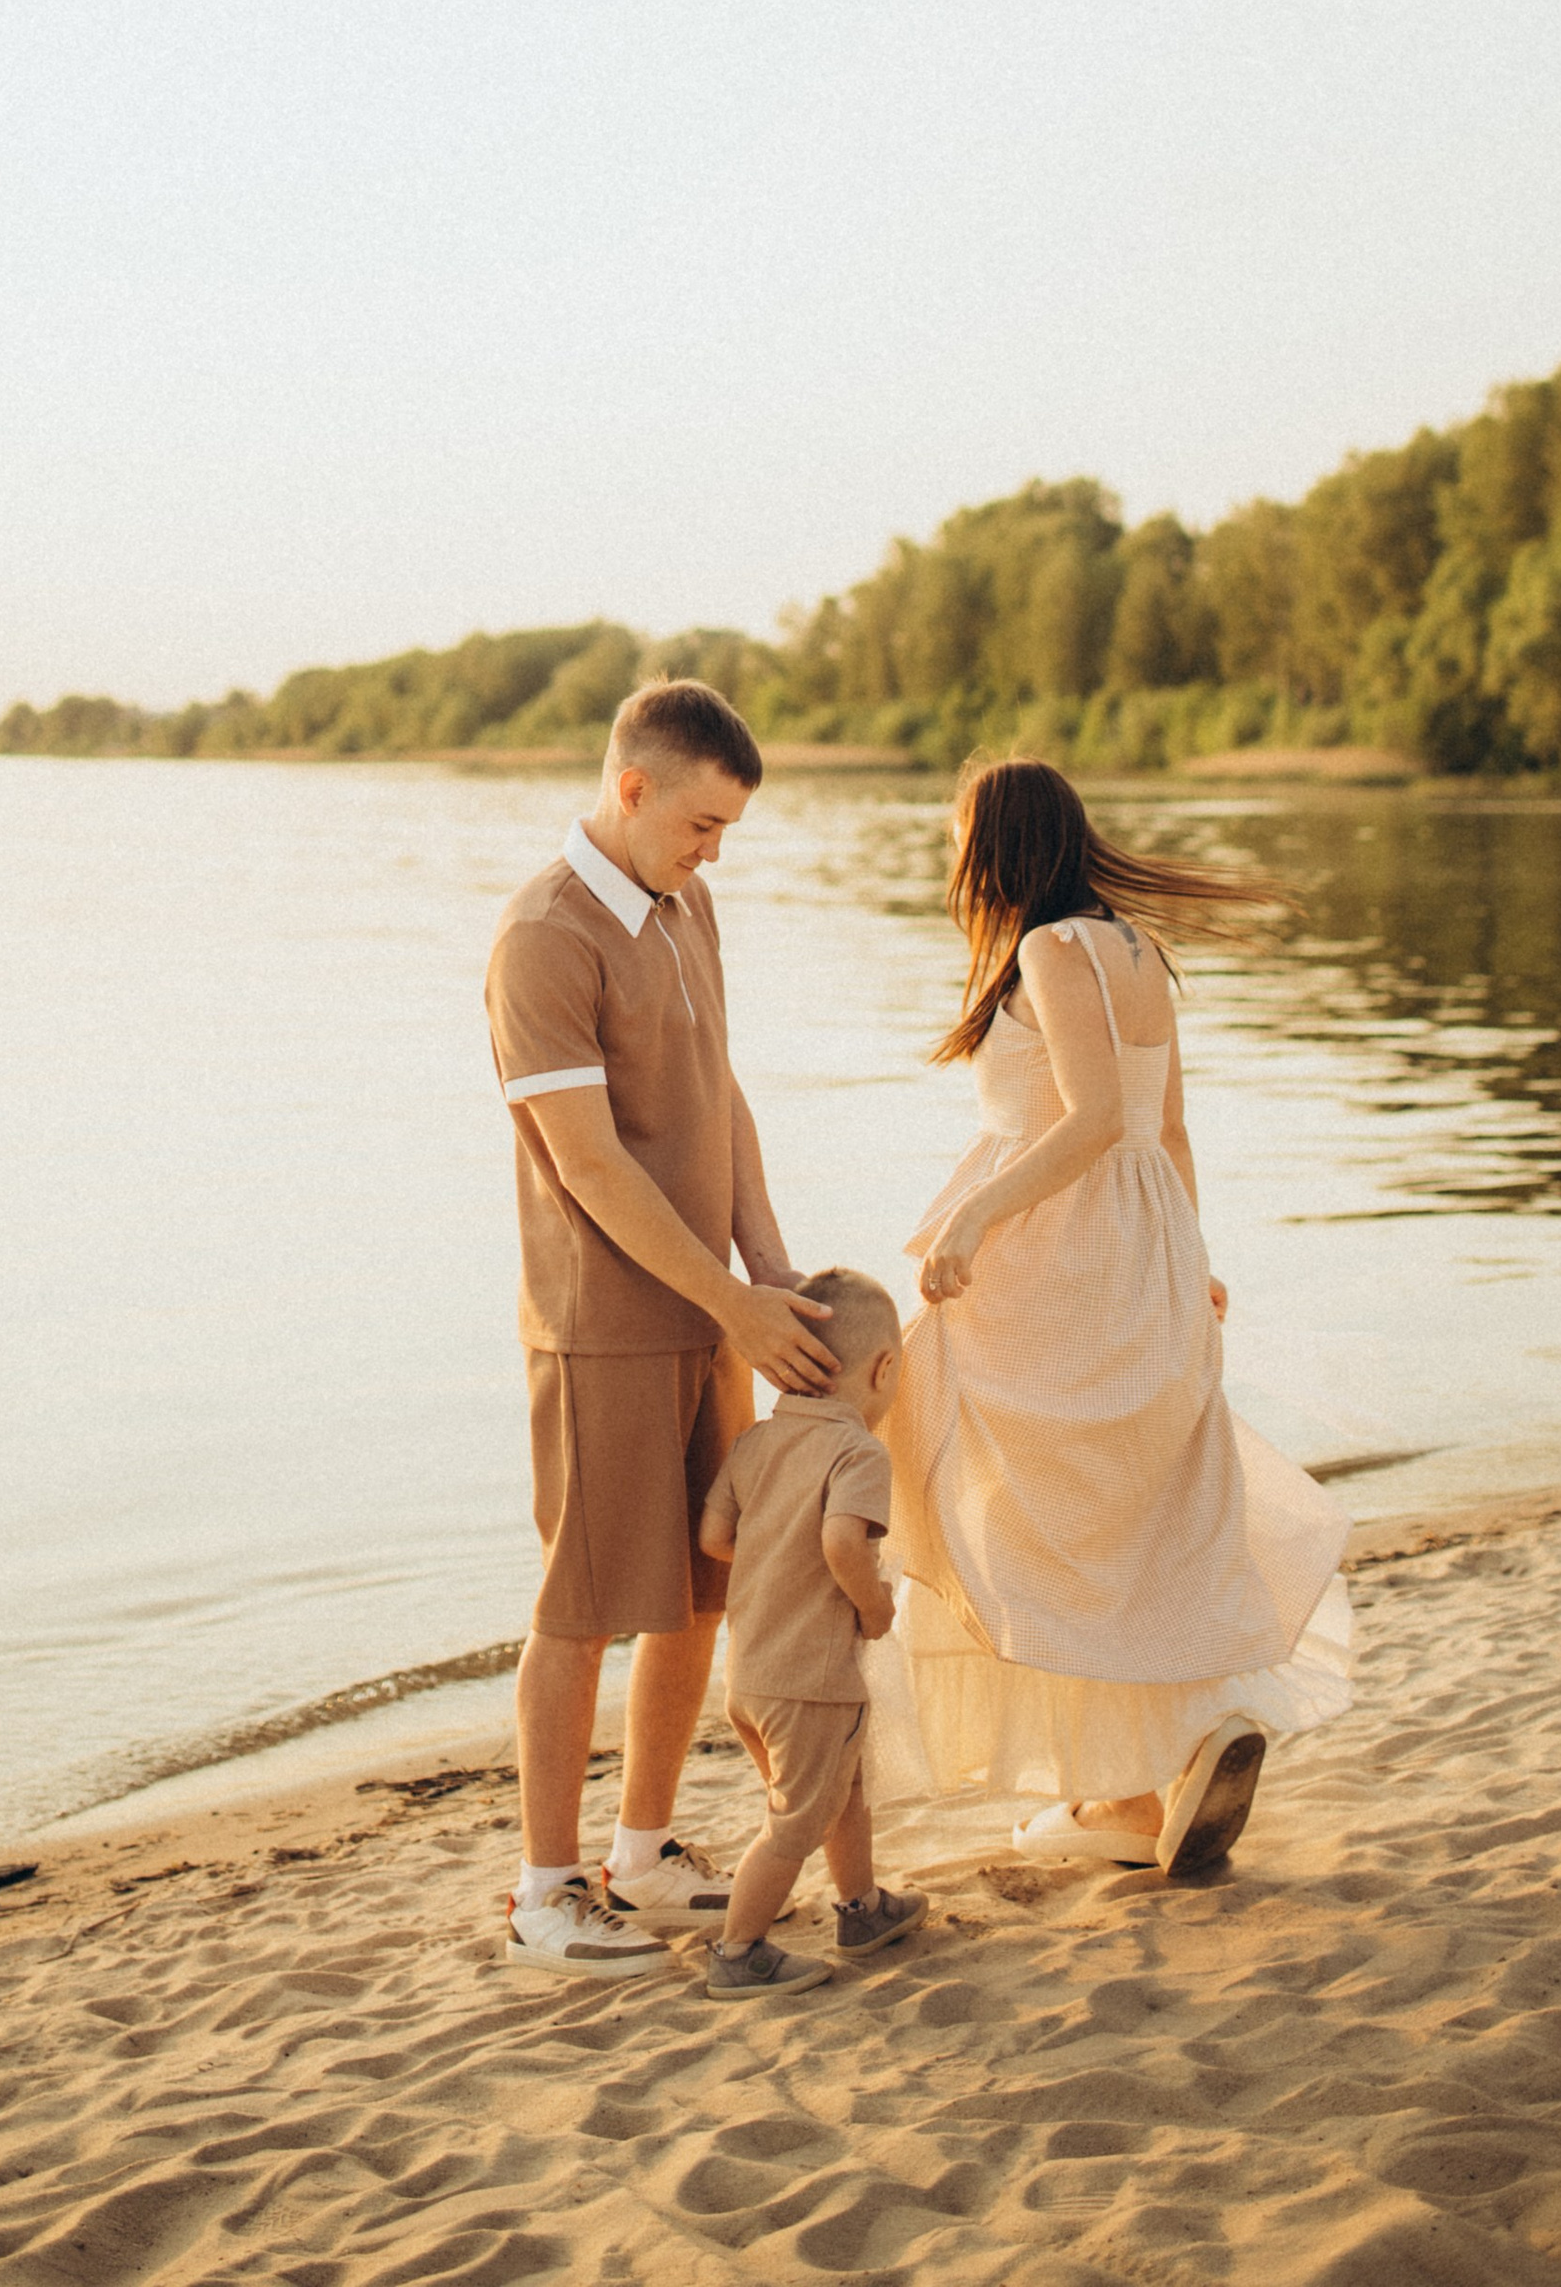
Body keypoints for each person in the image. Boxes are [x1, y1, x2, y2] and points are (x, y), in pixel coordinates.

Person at [882, 759, 1354, 1875]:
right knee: (1123, 1509)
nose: (955, 863)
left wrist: (971, 1220)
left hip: (1061, 1249)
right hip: (1140, 1242)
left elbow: (1093, 1119)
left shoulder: (1049, 950)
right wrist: (1191, 1260)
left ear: (995, 843)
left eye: (961, 839)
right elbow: (1167, 1127)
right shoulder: (1138, 949)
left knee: (1015, 1505)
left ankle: (1129, 1793)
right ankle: (1155, 1769)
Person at [483, 676, 840, 1973]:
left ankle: (640, 1851)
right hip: (600, 1328)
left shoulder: (689, 908)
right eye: (700, 822)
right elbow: (589, 1163)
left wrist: (771, 1276)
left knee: (698, 1593)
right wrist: (727, 1301)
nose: (714, 849)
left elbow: (720, 1102)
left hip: (708, 1318)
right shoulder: (543, 938)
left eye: (727, 830)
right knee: (581, 1607)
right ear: (630, 790)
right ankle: (543, 1890)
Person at [695, 1265, 926, 2001]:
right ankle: (739, 1951)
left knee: (839, 1790)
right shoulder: (859, 1453)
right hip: (813, 1681)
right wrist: (874, 1607)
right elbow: (840, 1544)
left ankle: (860, 1909)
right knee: (794, 1824)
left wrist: (775, 1561)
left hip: (749, 1679)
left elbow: (715, 1538)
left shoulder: (756, 1445)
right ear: (884, 1368)